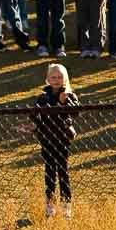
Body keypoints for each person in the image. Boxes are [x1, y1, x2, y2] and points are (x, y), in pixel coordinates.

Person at [30, 63, 80, 218]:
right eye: (53, 77)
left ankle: (66, 206)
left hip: (62, 139)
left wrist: (65, 102)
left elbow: (76, 112)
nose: (56, 80)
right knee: (49, 172)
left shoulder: (69, 95)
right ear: (48, 79)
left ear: (65, 79)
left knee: (63, 172)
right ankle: (50, 205)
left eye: (59, 77)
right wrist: (37, 118)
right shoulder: (43, 97)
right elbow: (34, 115)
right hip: (47, 139)